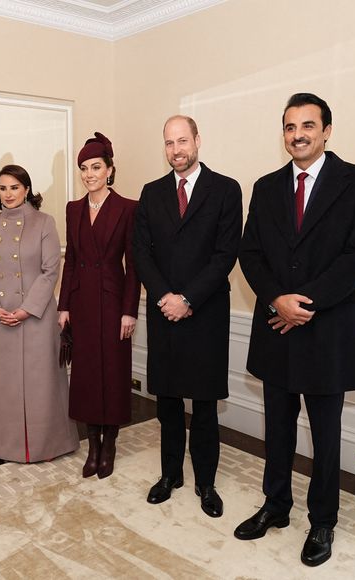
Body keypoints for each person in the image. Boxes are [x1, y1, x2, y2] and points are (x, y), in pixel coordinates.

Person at [236, 93, 355, 567]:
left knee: (325, 434)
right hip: (277, 326)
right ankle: (276, 505)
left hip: (328, 331)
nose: (297, 134)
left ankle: (323, 521)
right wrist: (278, 299)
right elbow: (250, 253)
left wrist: (306, 304)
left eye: (307, 125)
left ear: (326, 130)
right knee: (276, 428)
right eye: (289, 126)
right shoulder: (265, 186)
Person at [132, 115, 242, 517]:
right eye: (168, 143)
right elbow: (141, 251)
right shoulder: (151, 192)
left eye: (182, 141)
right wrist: (165, 296)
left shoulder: (226, 190)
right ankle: (169, 475)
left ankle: (206, 483)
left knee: (206, 404)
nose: (176, 150)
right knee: (168, 401)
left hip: (206, 312)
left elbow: (225, 254)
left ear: (197, 140)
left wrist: (188, 299)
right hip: (164, 313)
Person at [0, 164, 79, 463]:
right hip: (0, 318)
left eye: (14, 187)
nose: (8, 194)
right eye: (3, 188)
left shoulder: (45, 222)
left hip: (37, 316)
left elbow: (50, 271)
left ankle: (51, 444)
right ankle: (4, 446)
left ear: (27, 189)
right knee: (4, 385)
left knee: (43, 383)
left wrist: (26, 309)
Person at [58, 132, 141, 479]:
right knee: (87, 377)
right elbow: (71, 259)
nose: (89, 174)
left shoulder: (128, 208)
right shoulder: (73, 209)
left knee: (113, 375)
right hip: (81, 303)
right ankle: (92, 445)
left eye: (95, 167)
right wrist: (63, 305)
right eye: (83, 168)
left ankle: (110, 445)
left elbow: (134, 264)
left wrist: (130, 310)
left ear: (109, 169)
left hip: (112, 301)